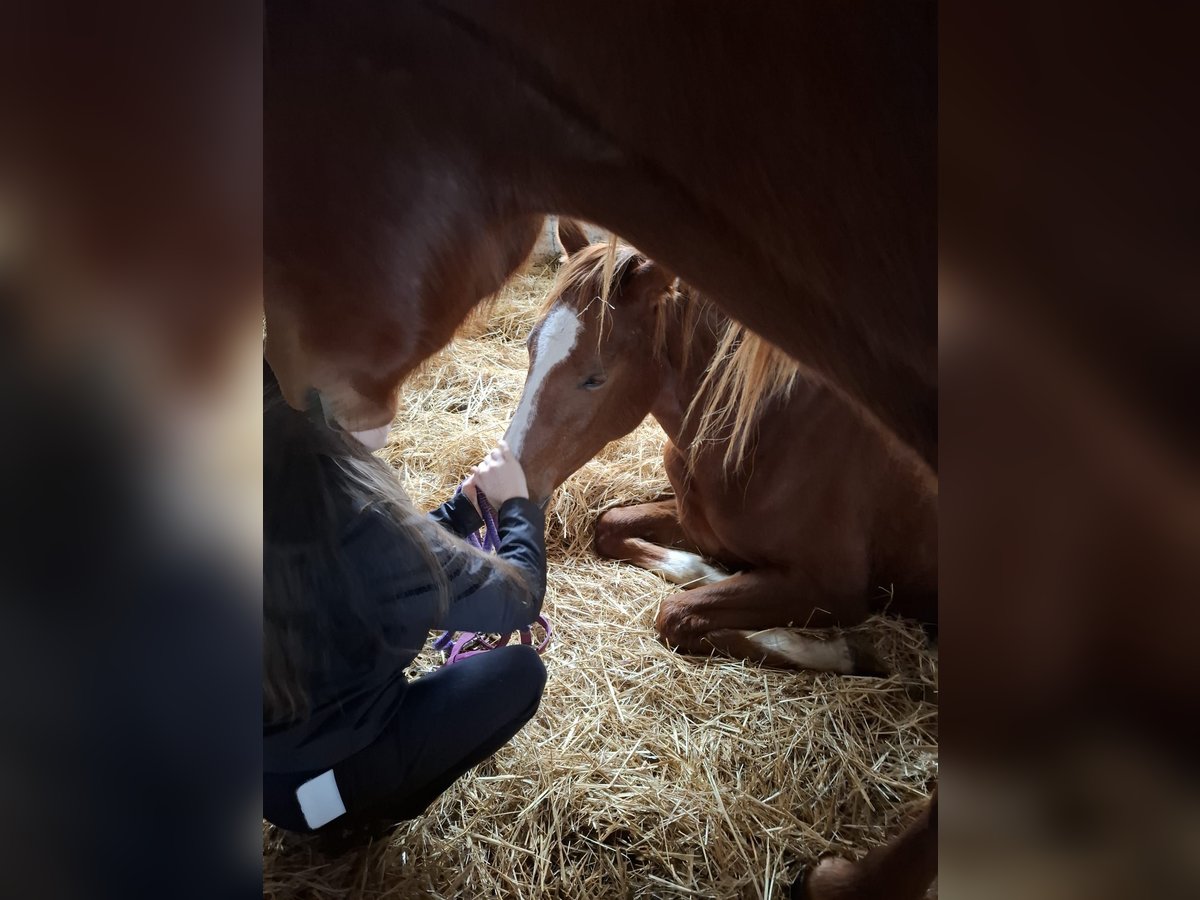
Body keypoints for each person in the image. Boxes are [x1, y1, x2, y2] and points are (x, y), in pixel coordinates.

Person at [263, 362, 547, 845]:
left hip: (265, 779)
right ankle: (361, 821)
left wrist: (460, 511)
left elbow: (380, 569)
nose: (393, 385)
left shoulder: (278, 483)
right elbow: (515, 599)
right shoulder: (370, 523)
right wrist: (520, 506)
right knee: (518, 674)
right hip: (331, 787)